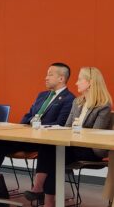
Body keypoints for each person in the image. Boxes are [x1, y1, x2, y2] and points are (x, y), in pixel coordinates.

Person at [25, 67, 112, 207]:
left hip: (91, 149)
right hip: (73, 145)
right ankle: (41, 191)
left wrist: (76, 132)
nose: (76, 83)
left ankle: (44, 196)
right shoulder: (77, 102)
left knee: (56, 154)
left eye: (79, 80)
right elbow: (67, 127)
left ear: (89, 83)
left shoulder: (103, 106)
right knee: (49, 148)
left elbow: (95, 135)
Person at [0, 62, 75, 176]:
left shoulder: (69, 99)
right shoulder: (42, 95)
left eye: (50, 75)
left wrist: (38, 124)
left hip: (44, 142)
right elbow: (28, 115)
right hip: (28, 135)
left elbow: (60, 124)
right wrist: (30, 121)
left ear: (61, 78)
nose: (46, 78)